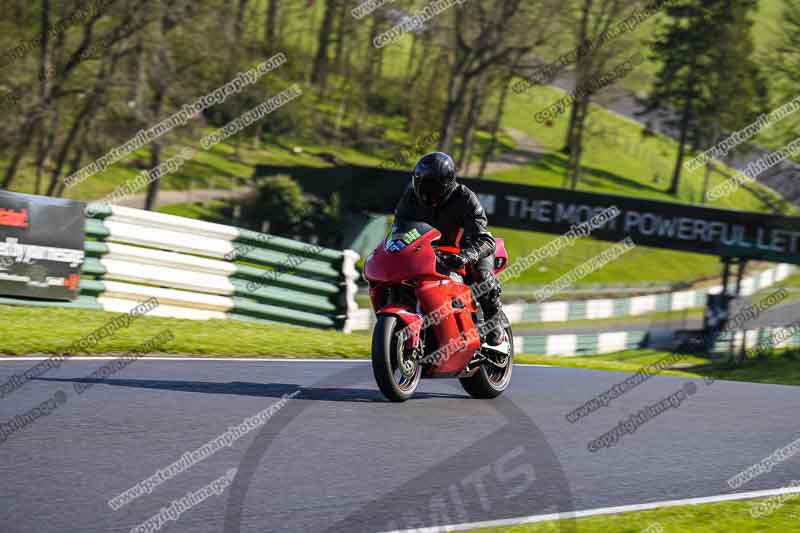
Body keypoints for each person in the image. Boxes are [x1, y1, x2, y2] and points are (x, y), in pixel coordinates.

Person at [394, 151, 507, 346]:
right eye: (422, 185)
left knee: (482, 277)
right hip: (430, 252)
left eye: (433, 186)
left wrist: (466, 255)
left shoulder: (465, 198)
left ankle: (493, 320)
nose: (427, 192)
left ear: (447, 183)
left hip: (469, 250)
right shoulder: (410, 197)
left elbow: (485, 239)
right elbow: (399, 228)